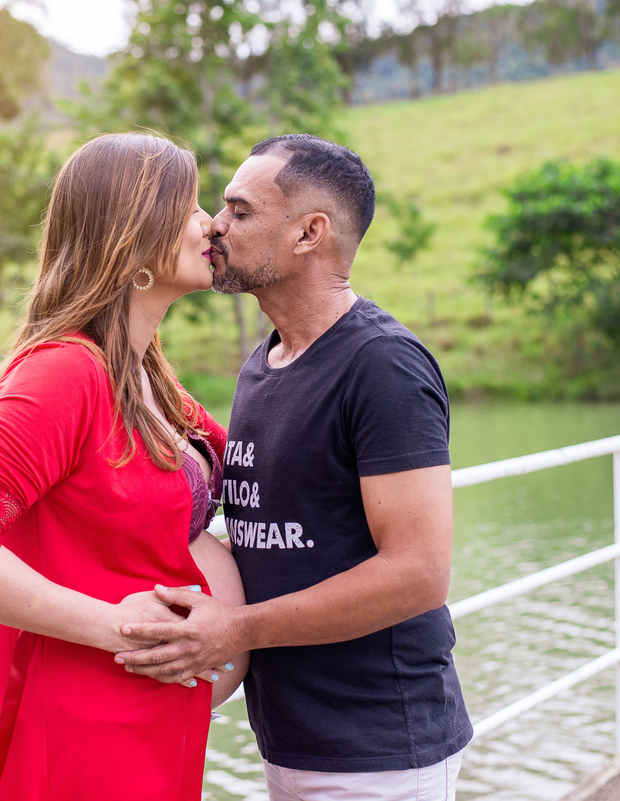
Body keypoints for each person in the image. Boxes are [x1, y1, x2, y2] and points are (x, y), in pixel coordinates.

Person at [115, 134, 472, 800]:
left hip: (378, 748)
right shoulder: (267, 361)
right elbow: (279, 535)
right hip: (290, 738)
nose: (215, 226)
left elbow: (419, 573)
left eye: (240, 211)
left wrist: (236, 628)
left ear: (309, 233)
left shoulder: (382, 366)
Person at [0, 132, 246, 801]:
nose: (210, 224)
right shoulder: (64, 372)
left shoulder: (148, 377)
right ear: (135, 235)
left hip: (154, 717)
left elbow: (243, 473)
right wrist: (122, 627)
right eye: (191, 207)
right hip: (81, 730)